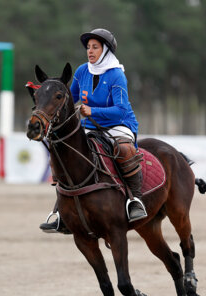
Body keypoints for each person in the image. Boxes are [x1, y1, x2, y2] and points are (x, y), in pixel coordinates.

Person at [40, 28, 147, 233]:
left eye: (95, 47)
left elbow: (120, 110)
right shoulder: (81, 71)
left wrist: (92, 110)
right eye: (88, 47)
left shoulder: (117, 76)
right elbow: (68, 100)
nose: (90, 51)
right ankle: (61, 212)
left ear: (106, 50)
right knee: (65, 152)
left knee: (124, 150)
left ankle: (135, 201)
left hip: (120, 125)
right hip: (90, 127)